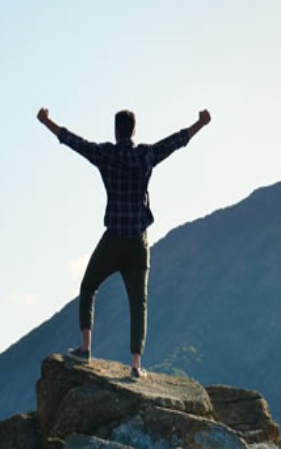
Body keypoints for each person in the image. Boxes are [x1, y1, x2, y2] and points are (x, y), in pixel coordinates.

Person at [37, 106, 211, 377]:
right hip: (138, 243)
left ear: (115, 131)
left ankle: (85, 348)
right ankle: (135, 365)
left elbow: (73, 141)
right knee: (138, 304)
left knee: (89, 286)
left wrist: (46, 121)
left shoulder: (106, 154)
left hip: (113, 240)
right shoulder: (145, 155)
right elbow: (176, 141)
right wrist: (200, 123)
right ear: (134, 130)